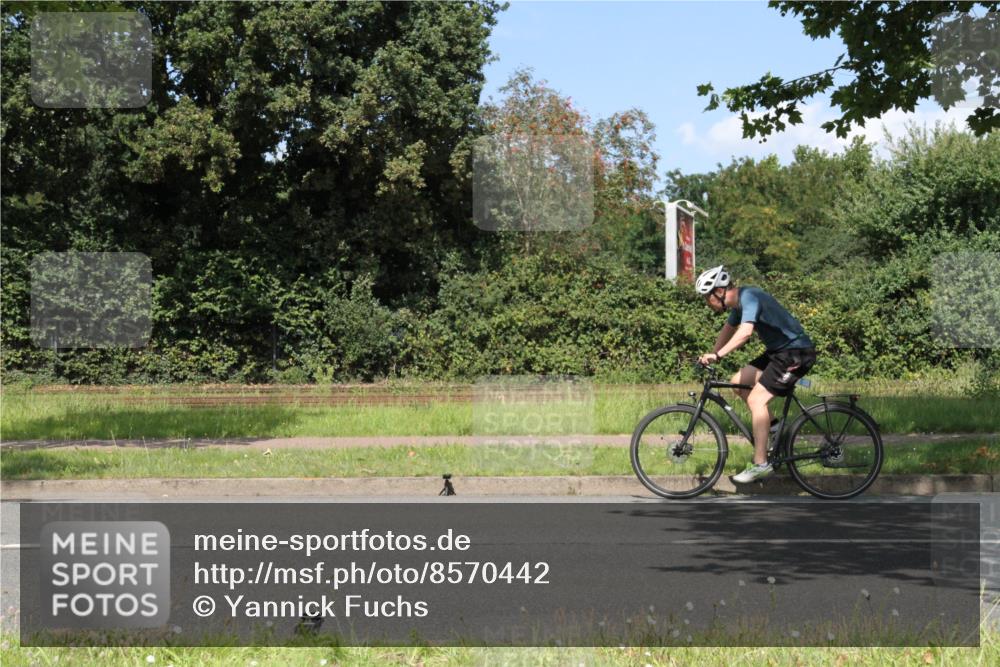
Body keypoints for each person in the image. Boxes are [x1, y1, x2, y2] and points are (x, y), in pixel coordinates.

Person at [694, 265, 817, 483]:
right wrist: (712, 355)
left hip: (795, 353)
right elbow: (728, 330)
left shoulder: (749, 297)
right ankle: (775, 429)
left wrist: (718, 355)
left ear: (719, 291)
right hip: (778, 353)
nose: (706, 303)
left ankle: (761, 464)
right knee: (737, 382)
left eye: (707, 297)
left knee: (756, 400)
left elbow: (745, 333)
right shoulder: (738, 306)